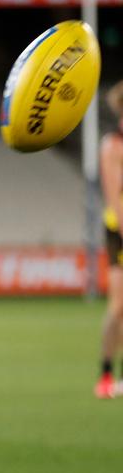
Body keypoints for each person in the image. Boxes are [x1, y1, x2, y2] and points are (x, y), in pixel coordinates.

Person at [96, 81, 123, 399]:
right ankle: (105, 374)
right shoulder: (112, 146)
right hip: (118, 230)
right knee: (118, 307)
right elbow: (115, 197)